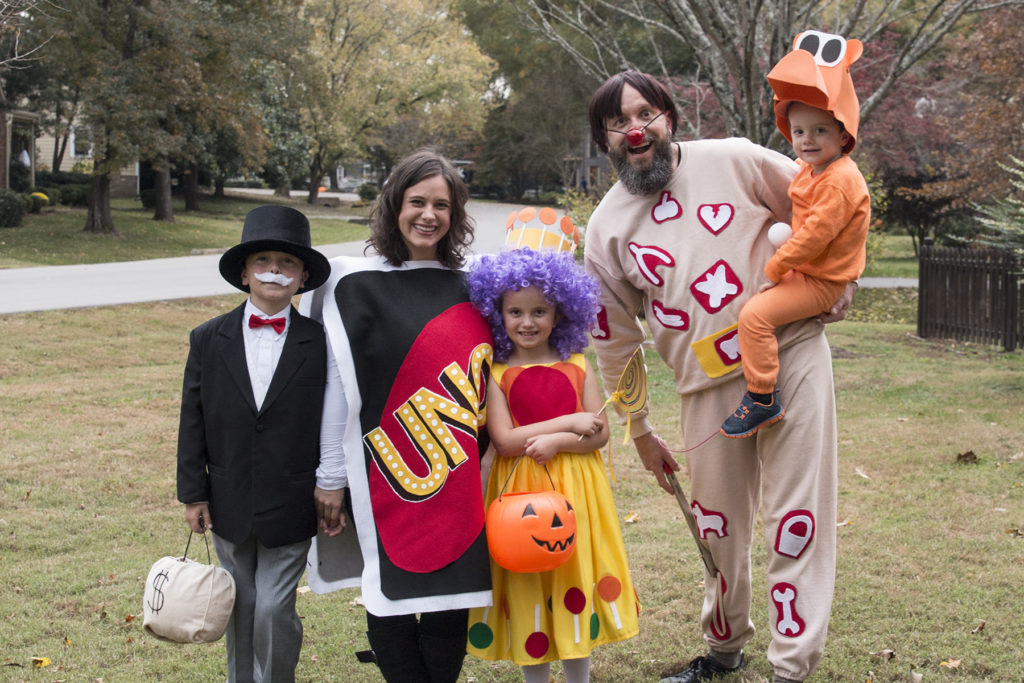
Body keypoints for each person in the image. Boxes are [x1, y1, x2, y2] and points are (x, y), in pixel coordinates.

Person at [583, 68, 857, 683]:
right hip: (703, 389)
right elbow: (615, 340)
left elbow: (828, 201)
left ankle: (790, 668)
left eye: (644, 115)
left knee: (796, 519)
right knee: (718, 529)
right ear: (602, 138)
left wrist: (839, 282)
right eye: (617, 122)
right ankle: (724, 650)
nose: (634, 130)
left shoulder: (736, 159)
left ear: (669, 118)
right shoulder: (606, 230)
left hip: (791, 354)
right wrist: (640, 430)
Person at [301, 149, 493, 682]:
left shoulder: (478, 284)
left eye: (442, 204)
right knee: (388, 596)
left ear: (456, 215)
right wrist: (331, 478)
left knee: (452, 597)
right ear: (393, 204)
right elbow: (339, 388)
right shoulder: (353, 283)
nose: (428, 215)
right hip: (381, 477)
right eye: (416, 201)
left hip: (461, 478)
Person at [464, 246, 640, 683]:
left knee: (572, 572)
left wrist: (561, 441)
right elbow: (504, 441)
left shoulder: (579, 366)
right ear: (497, 314)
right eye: (516, 312)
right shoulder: (497, 373)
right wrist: (566, 422)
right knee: (529, 578)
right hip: (520, 490)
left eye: (539, 311)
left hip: (577, 488)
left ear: (560, 314)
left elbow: (596, 434)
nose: (528, 322)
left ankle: (579, 675)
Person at [176, 204, 331, 683]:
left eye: (287, 263)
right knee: (240, 606)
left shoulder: (321, 342)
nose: (274, 270)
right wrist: (193, 492)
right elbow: (193, 417)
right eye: (263, 260)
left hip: (291, 498)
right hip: (228, 496)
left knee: (271, 609)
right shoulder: (208, 338)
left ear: (302, 276)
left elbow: (334, 417)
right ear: (244, 273)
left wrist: (332, 481)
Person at [722, 30, 870, 438]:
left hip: (821, 280)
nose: (807, 140)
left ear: (843, 135)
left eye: (820, 131)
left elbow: (816, 237)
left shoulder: (840, 181)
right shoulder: (813, 168)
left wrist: (778, 264)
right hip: (807, 268)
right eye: (800, 131)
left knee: (754, 316)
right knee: (747, 293)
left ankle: (762, 397)